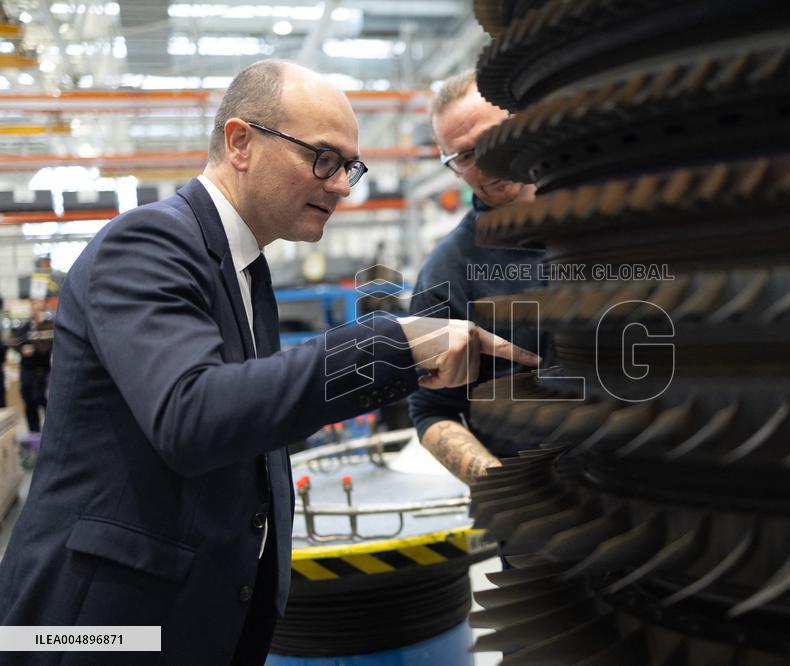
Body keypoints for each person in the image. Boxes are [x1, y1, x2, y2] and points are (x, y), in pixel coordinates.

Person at [0, 60, 537, 666]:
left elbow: (254, 415)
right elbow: (193, 414)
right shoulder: (147, 243)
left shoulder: (245, 274)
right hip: (90, 631)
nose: (340, 185)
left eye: (349, 168)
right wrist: (395, 342)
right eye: (323, 158)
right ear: (240, 142)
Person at [408, 71, 550, 484]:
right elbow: (431, 411)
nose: (486, 163)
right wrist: (508, 493)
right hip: (542, 521)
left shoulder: (607, 223)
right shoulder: (446, 271)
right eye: (465, 156)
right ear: (451, 167)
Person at [13, 299, 52, 433]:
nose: (38, 310)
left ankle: (50, 432)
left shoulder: (49, 326)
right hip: (28, 369)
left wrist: (40, 327)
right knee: (29, 401)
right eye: (35, 307)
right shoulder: (26, 327)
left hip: (43, 370)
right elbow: (17, 343)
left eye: (41, 307)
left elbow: (46, 347)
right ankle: (33, 432)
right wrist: (23, 349)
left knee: (45, 400)